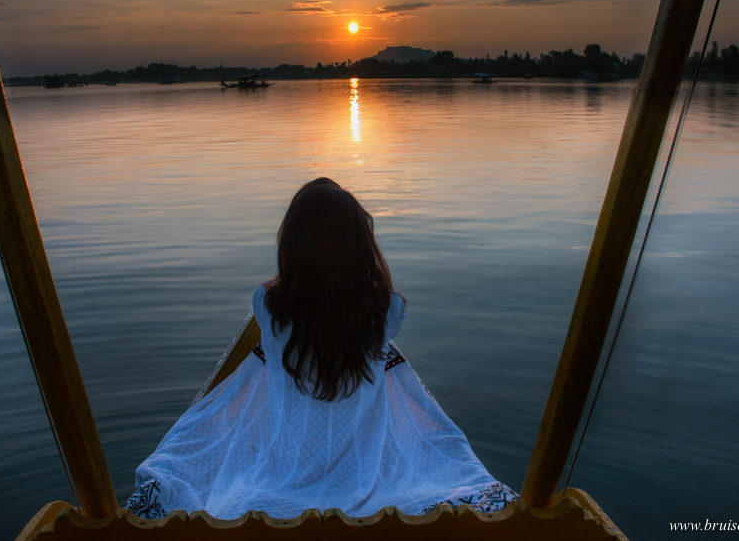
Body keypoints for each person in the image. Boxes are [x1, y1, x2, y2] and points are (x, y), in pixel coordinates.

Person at [126, 178, 516, 520]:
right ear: (361, 245)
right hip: (363, 472)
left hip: (281, 472)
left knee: (197, 470)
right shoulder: (388, 310)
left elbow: (288, 302)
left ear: (293, 243)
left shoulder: (267, 305)